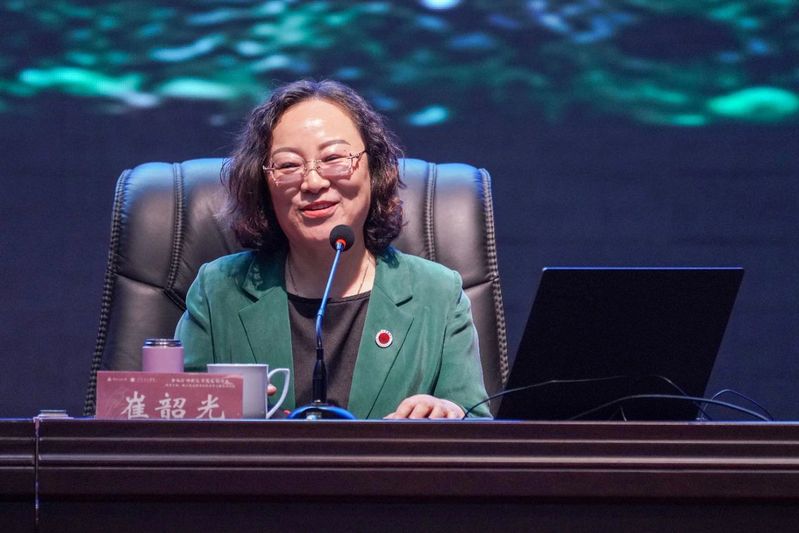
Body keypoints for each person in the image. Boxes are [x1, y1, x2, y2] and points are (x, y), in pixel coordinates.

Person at [175, 79, 490, 419]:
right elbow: (170, 419)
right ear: (263, 184)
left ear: (374, 170)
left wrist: (450, 416)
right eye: (288, 165)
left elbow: (479, 428)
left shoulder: (438, 294)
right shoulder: (218, 291)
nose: (312, 182)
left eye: (335, 158)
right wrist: (217, 411)